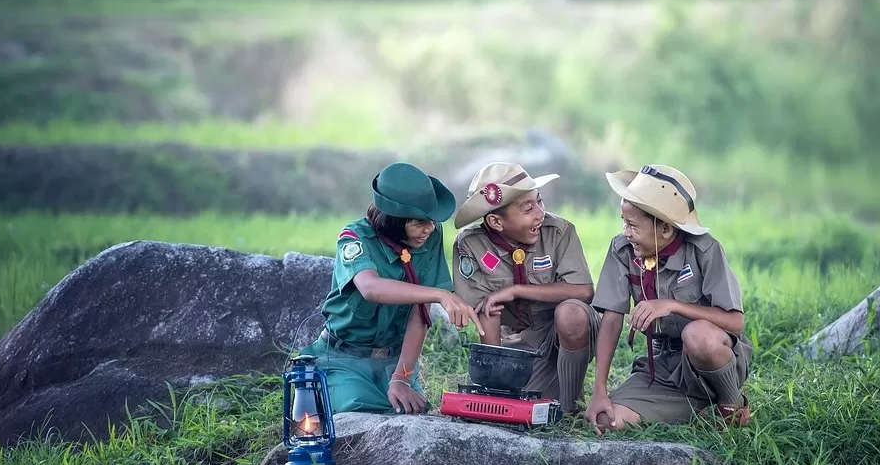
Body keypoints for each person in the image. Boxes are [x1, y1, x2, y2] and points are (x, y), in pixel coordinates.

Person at [300, 162, 481, 415]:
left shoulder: (429, 235)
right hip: (344, 360)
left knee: (411, 416)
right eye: (419, 222)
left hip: (395, 362)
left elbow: (420, 316)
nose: (428, 228)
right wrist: (441, 294)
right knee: (359, 413)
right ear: (394, 220)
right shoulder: (355, 237)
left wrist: (402, 378)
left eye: (432, 221)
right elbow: (370, 288)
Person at [584, 164, 751, 434]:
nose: (626, 231)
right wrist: (599, 390)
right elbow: (612, 318)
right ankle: (694, 409)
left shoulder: (704, 250)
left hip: (713, 358)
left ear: (664, 228)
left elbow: (735, 322)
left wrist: (672, 306)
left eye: (632, 225)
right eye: (623, 222)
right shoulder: (622, 250)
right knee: (607, 421)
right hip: (665, 369)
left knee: (697, 335)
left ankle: (730, 404)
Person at [451, 162, 600, 414]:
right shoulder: (471, 245)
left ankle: (571, 404)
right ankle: (545, 390)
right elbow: (486, 311)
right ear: (496, 222)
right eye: (528, 208)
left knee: (571, 314)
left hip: (558, 333)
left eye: (539, 202)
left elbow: (584, 290)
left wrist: (518, 291)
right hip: (517, 344)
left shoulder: (558, 231)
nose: (540, 213)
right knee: (515, 402)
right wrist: (493, 380)